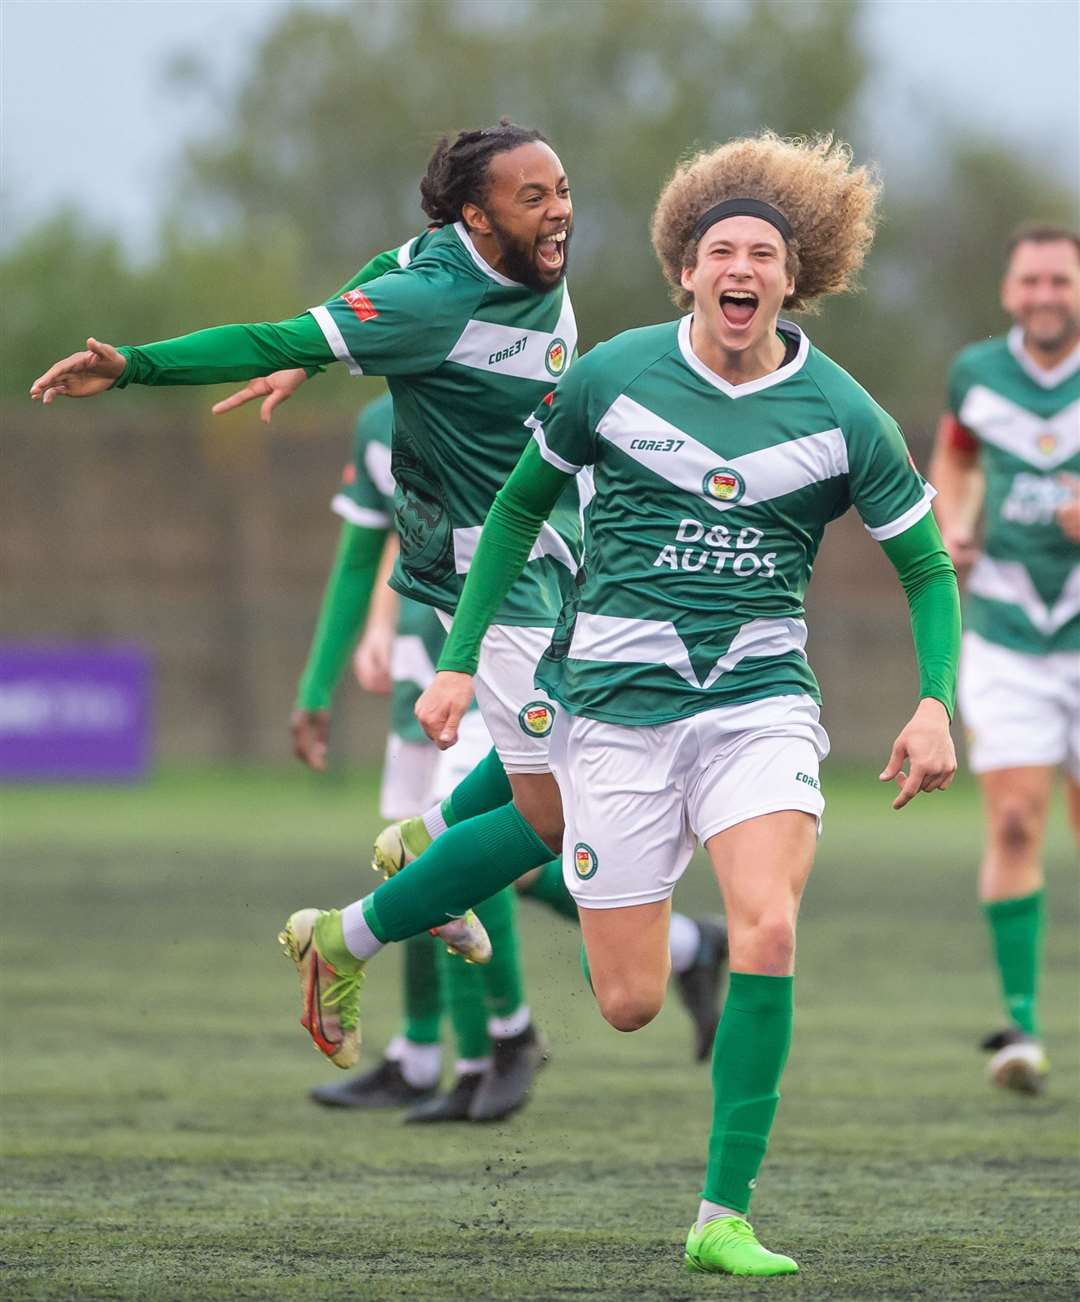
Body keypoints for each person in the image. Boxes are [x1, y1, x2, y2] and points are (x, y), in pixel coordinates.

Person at [31, 118, 728, 1067]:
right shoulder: (434, 298)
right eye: (535, 197)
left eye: (563, 187)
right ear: (480, 218)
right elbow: (277, 328)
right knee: (555, 811)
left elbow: (371, 276)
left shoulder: (486, 258)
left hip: (557, 543)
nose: (560, 210)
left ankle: (426, 840)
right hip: (493, 566)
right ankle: (344, 939)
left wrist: (321, 346)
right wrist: (137, 367)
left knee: (567, 753)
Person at [411, 131, 961, 1276]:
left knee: (768, 926)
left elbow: (924, 566)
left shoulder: (845, 414)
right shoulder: (612, 375)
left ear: (791, 279)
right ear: (689, 272)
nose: (742, 268)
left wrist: (934, 701)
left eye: (764, 253)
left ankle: (724, 1215)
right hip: (613, 712)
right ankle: (519, 886)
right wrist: (461, 658)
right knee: (626, 1002)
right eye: (722, 251)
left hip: (757, 703)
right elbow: (516, 514)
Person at [298, 390, 547, 1122]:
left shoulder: (540, 386)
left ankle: (481, 1045)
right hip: (443, 654)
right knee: (475, 846)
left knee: (499, 846)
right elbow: (376, 548)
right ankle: (444, 1049)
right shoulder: (380, 420)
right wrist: (353, 650)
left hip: (509, 645)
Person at [929, 223, 1080, 1097]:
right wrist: (954, 523)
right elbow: (956, 454)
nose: (1045, 296)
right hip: (1009, 628)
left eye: (1059, 280)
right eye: (1030, 282)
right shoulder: (976, 373)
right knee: (1017, 822)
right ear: (1008, 291)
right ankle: (1021, 1025)